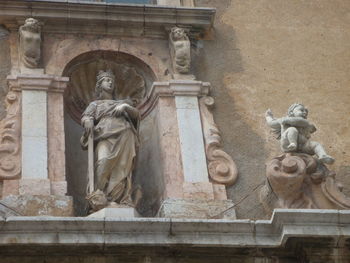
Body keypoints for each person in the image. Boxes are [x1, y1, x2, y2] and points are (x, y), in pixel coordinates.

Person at [80, 70, 140, 210]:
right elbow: (86, 116)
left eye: (111, 80)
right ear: (99, 85)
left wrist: (125, 107)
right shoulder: (95, 104)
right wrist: (87, 121)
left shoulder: (123, 103)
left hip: (125, 134)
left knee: (122, 166)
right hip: (104, 135)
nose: (110, 82)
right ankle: (98, 196)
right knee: (103, 161)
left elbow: (136, 116)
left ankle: (117, 199)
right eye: (107, 80)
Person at [265, 103, 334, 164]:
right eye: (301, 110)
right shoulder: (284, 119)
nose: (304, 113)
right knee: (292, 129)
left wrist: (286, 120)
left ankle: (323, 156)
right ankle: (293, 143)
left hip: (303, 146)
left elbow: (298, 121)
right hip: (287, 144)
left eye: (305, 112)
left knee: (315, 144)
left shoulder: (303, 122)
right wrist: (268, 116)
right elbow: (272, 124)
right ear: (291, 112)